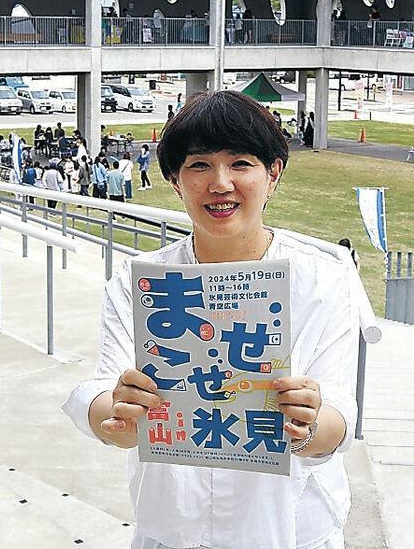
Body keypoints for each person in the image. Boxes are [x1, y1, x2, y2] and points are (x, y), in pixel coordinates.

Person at [64, 90, 360, 549]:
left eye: (241, 163)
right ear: (175, 181)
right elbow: (103, 393)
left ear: (273, 174)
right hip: (173, 525)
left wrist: (307, 425)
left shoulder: (323, 280)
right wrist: (119, 418)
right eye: (199, 165)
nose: (220, 183)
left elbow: (339, 415)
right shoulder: (138, 282)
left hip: (290, 527)